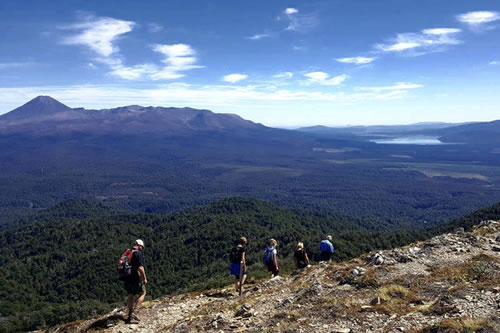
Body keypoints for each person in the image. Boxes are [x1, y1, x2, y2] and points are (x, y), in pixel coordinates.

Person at [124, 239, 147, 324]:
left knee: (131, 294)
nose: (142, 249)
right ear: (140, 246)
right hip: (134, 276)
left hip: (126, 277)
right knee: (143, 293)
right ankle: (135, 312)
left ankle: (130, 314)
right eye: (142, 247)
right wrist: (144, 278)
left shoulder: (128, 252)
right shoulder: (138, 253)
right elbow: (140, 268)